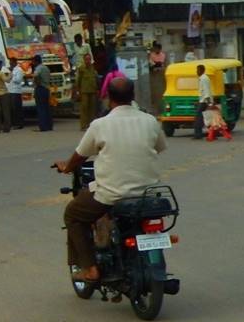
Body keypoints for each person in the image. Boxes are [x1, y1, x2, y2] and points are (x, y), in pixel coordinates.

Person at [53, 76, 167, 283]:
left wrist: (66, 166)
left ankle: (89, 268)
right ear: (133, 96)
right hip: (147, 194)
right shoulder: (150, 121)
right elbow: (159, 148)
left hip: (112, 194)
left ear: (108, 98)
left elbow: (80, 155)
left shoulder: (100, 125)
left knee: (73, 214)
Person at [75, 53, 99, 131]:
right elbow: (78, 80)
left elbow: (96, 79)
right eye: (86, 59)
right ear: (84, 60)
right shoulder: (81, 69)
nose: (88, 61)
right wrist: (78, 91)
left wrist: (98, 89)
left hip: (93, 90)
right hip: (84, 91)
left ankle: (91, 124)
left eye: (89, 59)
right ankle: (83, 125)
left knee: (92, 108)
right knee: (84, 108)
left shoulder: (93, 68)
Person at [5, 55, 27, 129]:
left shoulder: (19, 70)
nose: (10, 64)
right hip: (9, 91)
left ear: (15, 63)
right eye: (9, 63)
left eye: (11, 63)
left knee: (17, 108)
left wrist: (11, 74)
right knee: (11, 108)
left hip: (16, 91)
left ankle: (19, 124)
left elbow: (18, 80)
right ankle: (13, 123)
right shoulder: (9, 69)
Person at [33, 57, 53, 132]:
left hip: (40, 88)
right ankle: (49, 126)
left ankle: (43, 127)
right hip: (46, 88)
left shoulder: (38, 68)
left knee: (40, 108)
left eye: (33, 61)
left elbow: (36, 76)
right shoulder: (46, 68)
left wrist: (37, 83)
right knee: (46, 108)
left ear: (36, 61)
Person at [193, 62, 212, 139]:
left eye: (198, 70)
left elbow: (206, 91)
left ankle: (198, 134)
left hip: (204, 102)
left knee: (198, 118)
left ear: (202, 70)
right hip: (203, 101)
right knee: (205, 118)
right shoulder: (203, 78)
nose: (197, 72)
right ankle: (208, 133)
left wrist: (208, 102)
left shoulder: (204, 78)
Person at [148, 41, 167, 112]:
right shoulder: (151, 55)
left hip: (161, 74)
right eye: (156, 48)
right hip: (154, 74)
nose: (157, 50)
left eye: (158, 49)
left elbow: (164, 64)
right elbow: (151, 64)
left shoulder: (163, 55)